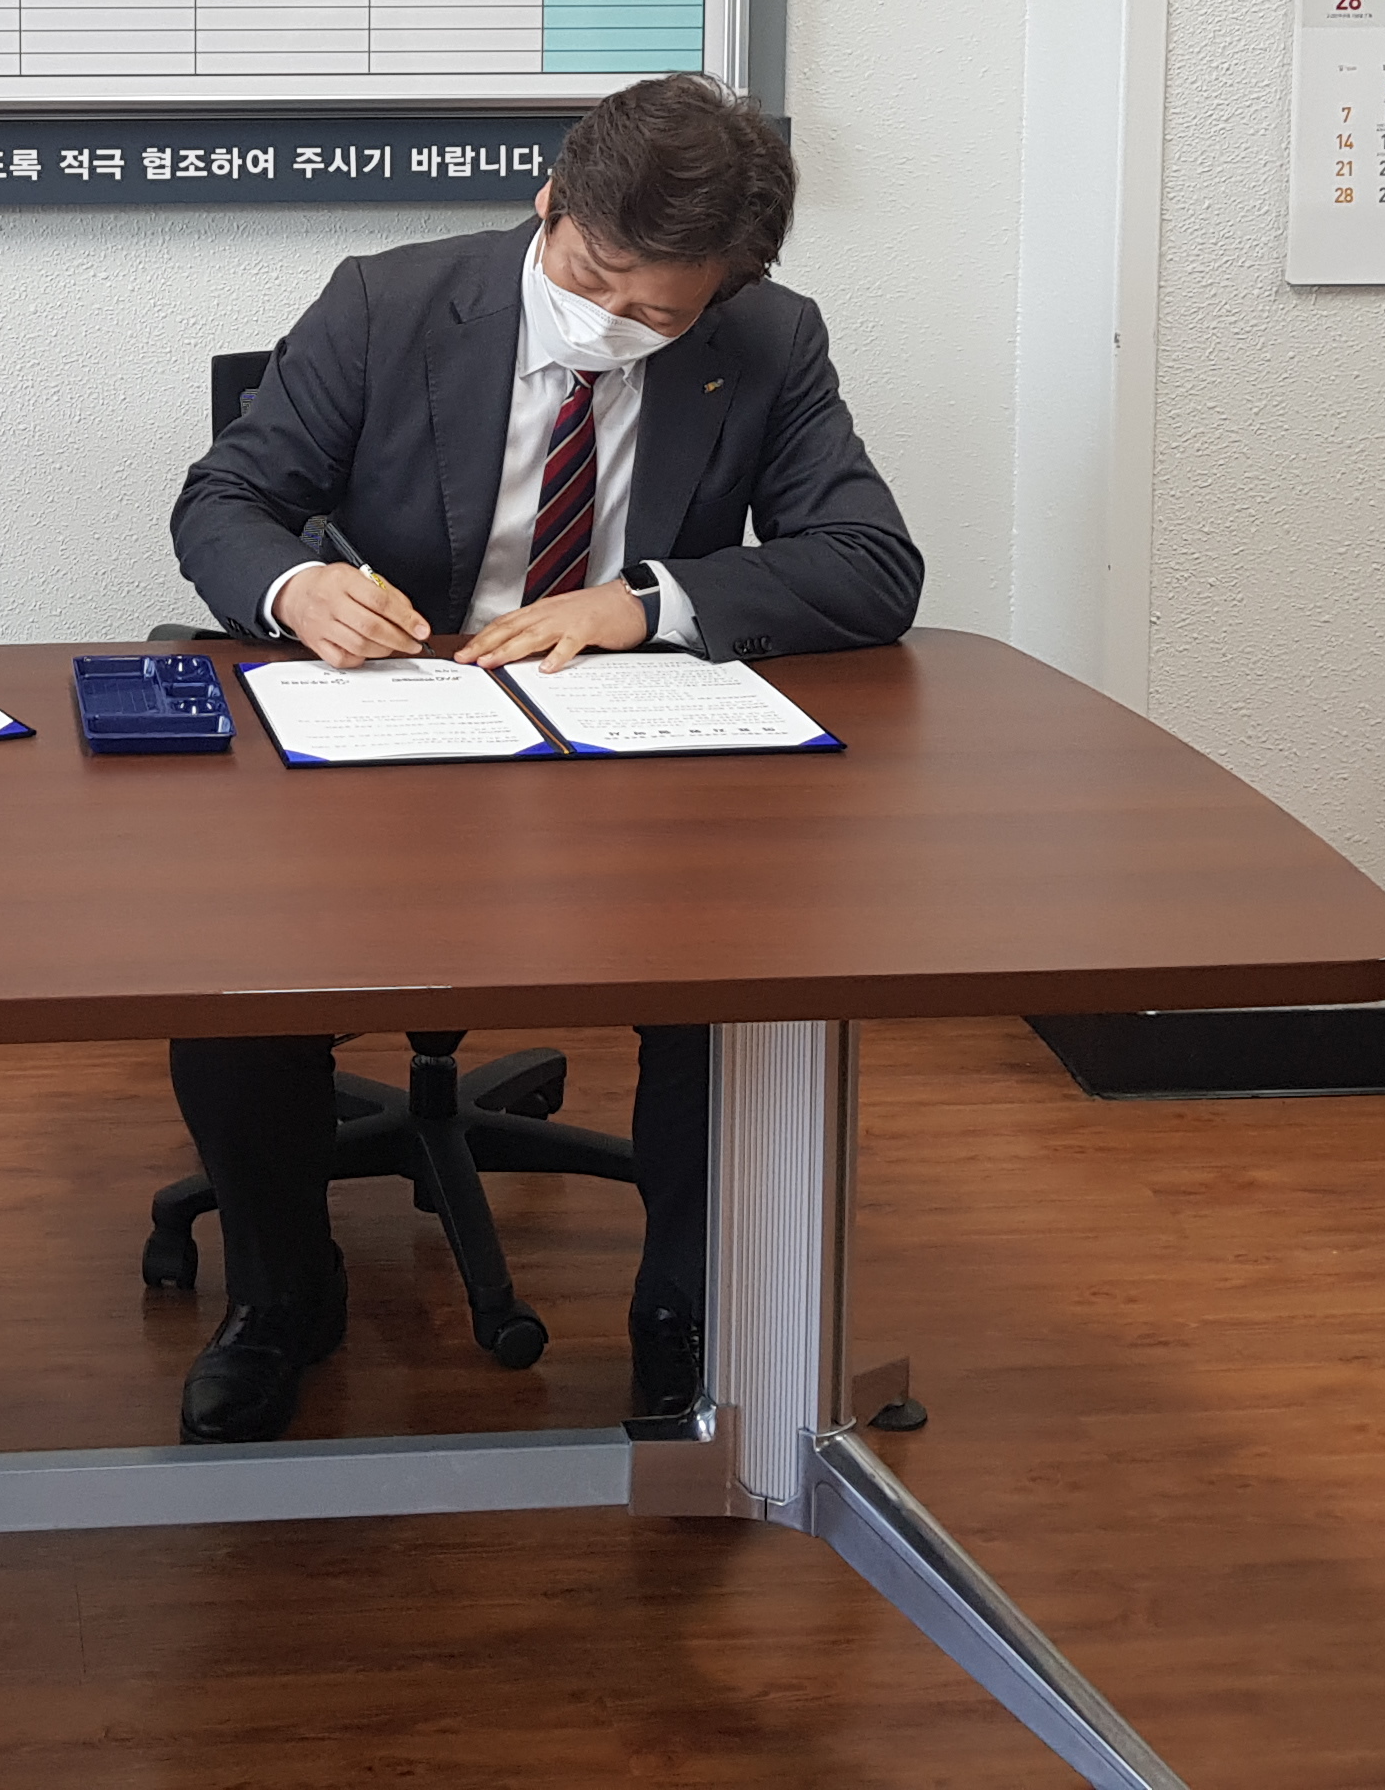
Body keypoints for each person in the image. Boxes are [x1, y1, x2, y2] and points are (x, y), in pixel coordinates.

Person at [162, 73, 921, 1444]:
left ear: (725, 289)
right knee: (235, 974)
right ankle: (282, 1295)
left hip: (630, 763)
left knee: (740, 978)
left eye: (657, 314)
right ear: (550, 200)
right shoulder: (389, 303)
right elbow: (227, 498)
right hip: (401, 730)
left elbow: (870, 563)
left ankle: (687, 1316)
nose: (610, 323)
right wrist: (293, 586)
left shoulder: (768, 338)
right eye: (590, 279)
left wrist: (644, 603)